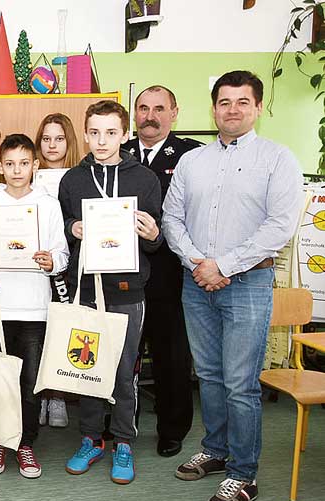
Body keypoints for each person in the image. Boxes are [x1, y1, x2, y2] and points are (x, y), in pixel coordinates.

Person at [163, 71, 304, 501]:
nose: (233, 110)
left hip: (248, 284)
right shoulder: (193, 161)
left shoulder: (278, 159)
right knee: (208, 376)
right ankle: (215, 449)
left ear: (258, 108)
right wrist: (198, 263)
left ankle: (244, 474)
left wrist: (222, 265)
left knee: (240, 384)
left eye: (243, 101)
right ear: (214, 109)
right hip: (196, 283)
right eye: (225, 102)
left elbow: (280, 227)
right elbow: (171, 219)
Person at [57, 100, 162, 485]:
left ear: (125, 134)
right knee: (86, 368)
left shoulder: (144, 179)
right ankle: (91, 439)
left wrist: (153, 234)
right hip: (87, 287)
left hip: (127, 289)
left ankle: (123, 442)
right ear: (85, 134)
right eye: (95, 133)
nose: (102, 141)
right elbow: (60, 228)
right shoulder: (72, 180)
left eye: (111, 133)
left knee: (124, 369)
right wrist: (72, 228)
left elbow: (155, 238)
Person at [0, 133, 69, 478]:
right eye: (10, 164)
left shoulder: (48, 204)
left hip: (35, 308)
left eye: (24, 163)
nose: (17, 170)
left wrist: (51, 261)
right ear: (0, 166)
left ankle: (25, 443)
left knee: (29, 382)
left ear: (35, 165)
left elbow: (62, 254)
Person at [122, 85, 202, 458]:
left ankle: (172, 429)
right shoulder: (119, 153)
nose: (150, 116)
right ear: (134, 113)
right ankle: (119, 424)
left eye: (158, 108)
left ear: (174, 112)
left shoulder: (191, 157)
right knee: (122, 355)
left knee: (171, 356)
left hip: (169, 275)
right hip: (122, 273)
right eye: (143, 108)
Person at [34, 112, 82, 429]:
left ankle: (59, 396)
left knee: (63, 330)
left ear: (70, 142)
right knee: (38, 333)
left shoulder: (80, 177)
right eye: (46, 138)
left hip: (70, 266)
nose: (52, 145)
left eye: (59, 138)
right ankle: (40, 395)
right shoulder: (28, 175)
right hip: (36, 267)